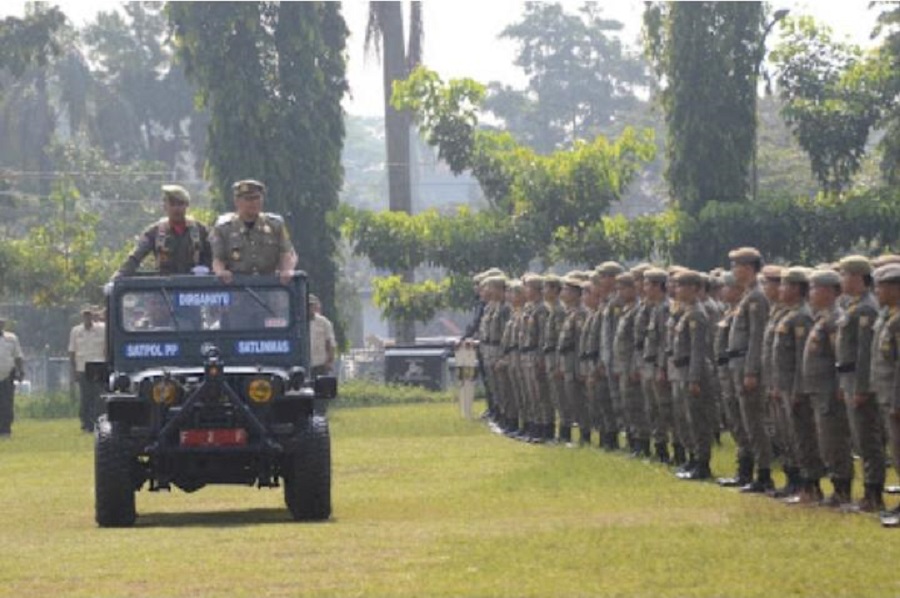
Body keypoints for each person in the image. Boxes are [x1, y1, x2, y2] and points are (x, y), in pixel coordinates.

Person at [836, 256, 885, 512]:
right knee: (860, 438)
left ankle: (873, 494)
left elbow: (865, 354)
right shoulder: (854, 306)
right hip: (849, 378)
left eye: (845, 275)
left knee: (868, 440)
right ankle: (868, 492)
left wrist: (862, 388)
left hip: (858, 380)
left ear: (857, 277)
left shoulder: (866, 308)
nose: (841, 279)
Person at [804, 268, 854, 507]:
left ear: (829, 291)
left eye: (815, 288)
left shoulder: (835, 319)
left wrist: (839, 388)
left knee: (835, 441)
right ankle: (836, 487)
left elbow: (839, 357)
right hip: (818, 389)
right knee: (826, 440)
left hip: (830, 391)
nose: (811, 293)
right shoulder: (822, 317)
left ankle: (842, 488)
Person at [727, 247, 773, 493]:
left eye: (737, 265)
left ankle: (763, 474)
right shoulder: (747, 295)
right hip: (738, 365)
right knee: (744, 421)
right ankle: (745, 470)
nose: (734, 270)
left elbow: (757, 338)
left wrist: (752, 371)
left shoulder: (756, 297)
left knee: (754, 422)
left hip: (747, 366)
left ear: (749, 267)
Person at [212, 179, 298, 285]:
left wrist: (287, 270)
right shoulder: (224, 228)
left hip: (271, 288)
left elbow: (286, 253)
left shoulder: (275, 225)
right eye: (248, 199)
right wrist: (221, 272)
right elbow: (218, 259)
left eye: (257, 198)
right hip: (237, 288)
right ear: (237, 202)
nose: (254, 202)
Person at [114, 184, 212, 277]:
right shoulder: (154, 232)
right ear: (165, 206)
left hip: (194, 289)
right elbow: (136, 257)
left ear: (187, 206)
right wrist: (118, 277)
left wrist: (206, 269)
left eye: (180, 204)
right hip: (164, 289)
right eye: (172, 204)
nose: (176, 209)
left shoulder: (201, 231)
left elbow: (215, 258)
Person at [671, 270, 713, 480]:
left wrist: (694, 378)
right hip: (682, 370)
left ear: (694, 289)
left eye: (681, 286)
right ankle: (693, 459)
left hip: (692, 371)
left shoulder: (697, 313)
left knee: (697, 419)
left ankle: (702, 463)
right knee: (685, 418)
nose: (677, 290)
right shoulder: (686, 312)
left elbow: (698, 349)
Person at [870, 263, 900, 525]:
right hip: (886, 394)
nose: (877, 291)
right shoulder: (888, 316)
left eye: (881, 286)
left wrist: (896, 401)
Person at [69, 306, 107, 432]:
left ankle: (99, 422)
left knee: (99, 396)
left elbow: (107, 349)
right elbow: (72, 352)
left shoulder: (102, 329)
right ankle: (86, 423)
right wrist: (74, 370)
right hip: (82, 367)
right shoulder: (76, 331)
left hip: (98, 366)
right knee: (85, 397)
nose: (87, 317)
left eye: (89, 315)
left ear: (93, 316)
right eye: (85, 315)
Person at [0, 316, 24, 437]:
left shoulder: (11, 338)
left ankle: (5, 429)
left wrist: (20, 371)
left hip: (7, 375)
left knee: (7, 403)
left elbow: (18, 356)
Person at [309, 294, 336, 377]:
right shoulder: (297, 322)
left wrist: (329, 362)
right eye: (307, 305)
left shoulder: (323, 322)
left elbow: (330, 343)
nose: (309, 308)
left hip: (320, 364)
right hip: (302, 365)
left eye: (311, 305)